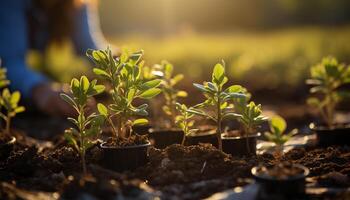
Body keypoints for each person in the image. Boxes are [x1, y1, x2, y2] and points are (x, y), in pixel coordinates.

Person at [0, 0, 115, 116]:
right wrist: (40, 88)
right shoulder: (9, 4)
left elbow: (91, 48)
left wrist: (119, 64)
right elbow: (8, 61)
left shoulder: (78, 4)